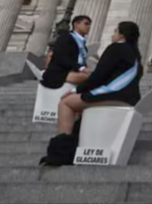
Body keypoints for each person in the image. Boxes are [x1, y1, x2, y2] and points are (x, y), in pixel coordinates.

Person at [40, 21, 143, 166]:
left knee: (66, 102)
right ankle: (77, 141)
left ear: (121, 35)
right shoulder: (135, 55)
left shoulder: (115, 48)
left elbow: (99, 75)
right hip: (129, 99)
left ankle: (62, 151)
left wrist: (76, 89)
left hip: (113, 96)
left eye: (115, 32)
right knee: (81, 107)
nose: (113, 35)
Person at [41, 16, 92, 89]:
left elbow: (80, 60)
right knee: (90, 77)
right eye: (86, 24)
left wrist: (85, 68)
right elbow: (61, 56)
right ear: (76, 24)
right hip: (60, 72)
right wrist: (81, 68)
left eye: (89, 25)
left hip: (74, 71)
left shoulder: (83, 45)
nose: (89, 27)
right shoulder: (66, 37)